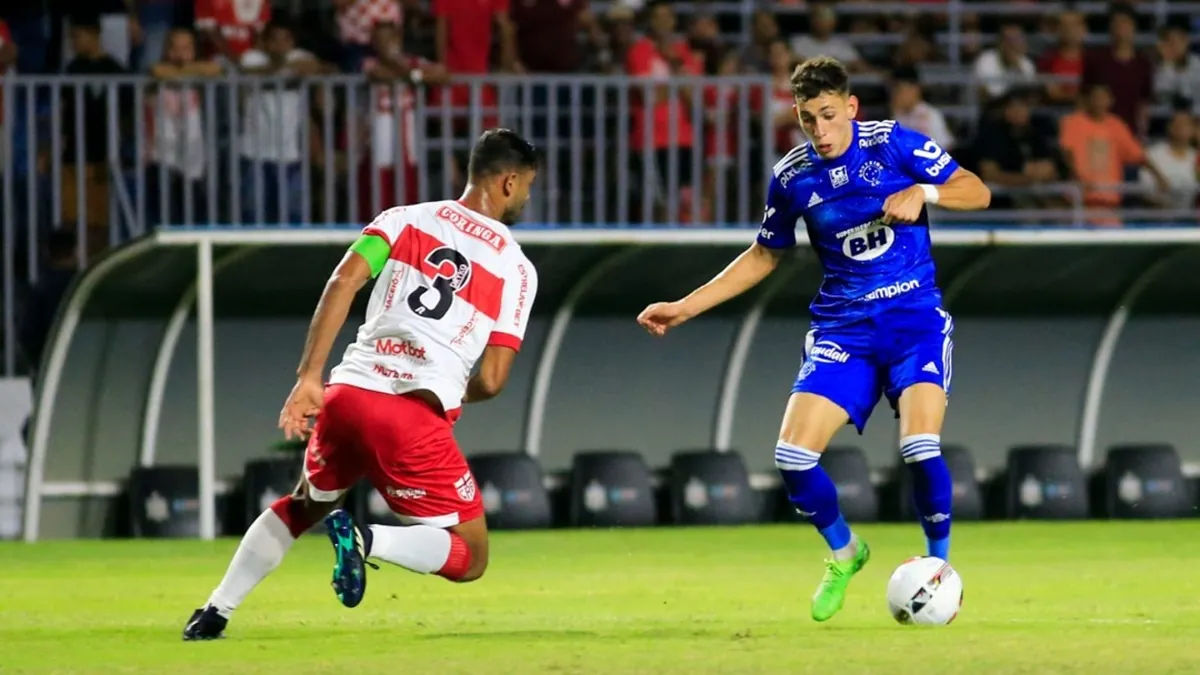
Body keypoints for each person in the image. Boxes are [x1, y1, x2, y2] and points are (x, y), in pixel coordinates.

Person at [636, 56, 990, 622]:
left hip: (913, 323)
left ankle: (939, 567)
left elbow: (977, 190)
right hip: (843, 330)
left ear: (851, 107)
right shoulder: (793, 176)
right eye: (807, 119)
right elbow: (763, 255)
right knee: (793, 456)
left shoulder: (894, 144)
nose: (819, 131)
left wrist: (926, 192)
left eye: (827, 115)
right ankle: (846, 553)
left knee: (919, 446)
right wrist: (684, 306)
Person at [183, 129, 540, 640]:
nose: (525, 196)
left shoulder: (402, 219)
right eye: (527, 185)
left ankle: (214, 611)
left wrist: (309, 377)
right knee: (471, 554)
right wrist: (448, 387)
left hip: (347, 396)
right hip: (412, 415)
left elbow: (343, 282)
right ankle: (367, 539)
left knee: (303, 504)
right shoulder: (517, 269)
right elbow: (492, 378)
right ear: (508, 182)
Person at [1060, 82, 1166, 212]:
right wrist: (1078, 176)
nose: (1099, 102)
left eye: (1103, 98)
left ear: (1111, 101)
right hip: (1078, 201)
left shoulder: (1116, 125)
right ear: (1088, 100)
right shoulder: (1073, 122)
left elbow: (1138, 155)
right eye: (1095, 97)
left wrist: (1158, 176)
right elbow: (1067, 152)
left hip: (1108, 201)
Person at [1082, 3, 1153, 137]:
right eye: (1116, 23)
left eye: (1125, 23)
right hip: (1098, 133)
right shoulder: (1096, 60)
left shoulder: (1143, 63)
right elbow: (1083, 98)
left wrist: (1141, 134)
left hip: (1130, 133)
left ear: (1133, 26)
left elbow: (1144, 104)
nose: (1120, 28)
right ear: (1110, 27)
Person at [1139, 109, 1198, 210]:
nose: (1181, 128)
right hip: (1156, 214)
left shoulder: (1197, 157)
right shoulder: (1153, 154)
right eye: (1177, 124)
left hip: (1189, 215)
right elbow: (1144, 190)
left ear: (1193, 130)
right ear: (1169, 127)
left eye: (1186, 124)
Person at [889, 67, 955, 151]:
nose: (895, 95)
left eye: (900, 90)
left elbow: (945, 147)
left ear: (915, 89)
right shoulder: (895, 116)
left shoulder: (931, 115)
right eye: (894, 91)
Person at [972, 20, 1036, 100]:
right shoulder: (985, 60)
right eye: (1008, 40)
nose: (1012, 44)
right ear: (1000, 43)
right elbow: (987, 95)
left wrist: (1017, 68)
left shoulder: (1027, 64)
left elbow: (1028, 94)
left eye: (1016, 39)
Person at [1038, 9, 1086, 105]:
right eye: (1064, 25)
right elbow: (1052, 93)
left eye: (1074, 25)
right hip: (1056, 109)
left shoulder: (1093, 60)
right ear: (1057, 29)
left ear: (1083, 29)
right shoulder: (1047, 59)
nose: (1069, 29)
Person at [1154, 23, 1200, 113]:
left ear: (1186, 41)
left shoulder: (1197, 64)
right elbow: (1161, 97)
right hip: (1168, 117)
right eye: (1170, 42)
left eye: (1178, 41)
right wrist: (1167, 64)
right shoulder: (1163, 67)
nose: (1175, 46)